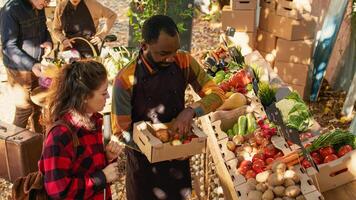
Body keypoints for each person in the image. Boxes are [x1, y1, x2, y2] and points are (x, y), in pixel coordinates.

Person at [111, 15, 225, 200]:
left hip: (178, 165)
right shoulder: (125, 80)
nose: (171, 58)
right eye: (164, 53)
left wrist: (191, 111)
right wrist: (160, 148)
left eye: (175, 51)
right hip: (144, 171)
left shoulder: (184, 61)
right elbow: (120, 131)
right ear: (144, 45)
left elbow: (217, 94)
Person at [39, 60, 121, 199]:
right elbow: (58, 190)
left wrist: (107, 158)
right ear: (84, 97)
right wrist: (101, 177)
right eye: (103, 93)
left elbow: (83, 167)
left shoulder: (92, 120)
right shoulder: (61, 135)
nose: (107, 97)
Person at [1, 0, 53, 133]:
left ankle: (38, 144)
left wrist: (48, 41)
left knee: (37, 107)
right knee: (24, 110)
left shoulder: (39, 5)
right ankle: (13, 148)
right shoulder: (11, 10)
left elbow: (44, 28)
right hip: (18, 70)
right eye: (46, 0)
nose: (47, 4)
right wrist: (32, 64)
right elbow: (9, 47)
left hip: (36, 66)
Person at [52, 0, 117, 58]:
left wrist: (102, 35)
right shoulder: (61, 7)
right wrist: (63, 39)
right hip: (69, 51)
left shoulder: (93, 5)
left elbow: (112, 15)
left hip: (90, 49)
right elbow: (55, 29)